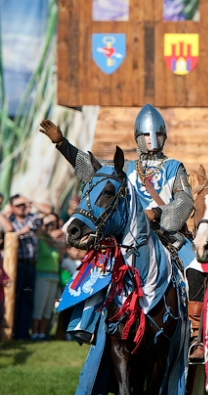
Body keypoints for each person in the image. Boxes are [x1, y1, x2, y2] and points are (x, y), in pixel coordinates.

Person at [39, 105, 197, 351]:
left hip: (166, 237)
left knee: (196, 268)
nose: (151, 139)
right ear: (137, 137)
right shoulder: (127, 169)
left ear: (164, 136)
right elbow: (92, 170)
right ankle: (88, 323)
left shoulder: (174, 168)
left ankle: (196, 333)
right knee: (97, 270)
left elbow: (184, 201)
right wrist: (63, 145)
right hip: (128, 240)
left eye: (155, 134)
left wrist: (156, 212)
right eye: (146, 134)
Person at [1, 195, 41, 340]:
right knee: (14, 299)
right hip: (16, 266)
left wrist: (29, 199)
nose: (22, 207)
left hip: (30, 266)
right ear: (11, 207)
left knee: (27, 300)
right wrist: (19, 233)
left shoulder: (32, 218)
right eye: (18, 205)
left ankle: (23, 334)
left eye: (24, 205)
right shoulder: (9, 220)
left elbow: (44, 213)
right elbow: (8, 230)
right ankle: (10, 333)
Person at [32, 213, 65, 340]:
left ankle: (42, 333)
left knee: (48, 309)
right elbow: (37, 234)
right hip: (41, 276)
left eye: (52, 224)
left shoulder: (54, 242)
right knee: (39, 306)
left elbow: (59, 259)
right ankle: (35, 333)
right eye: (47, 224)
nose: (50, 227)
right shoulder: (39, 239)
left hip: (54, 277)